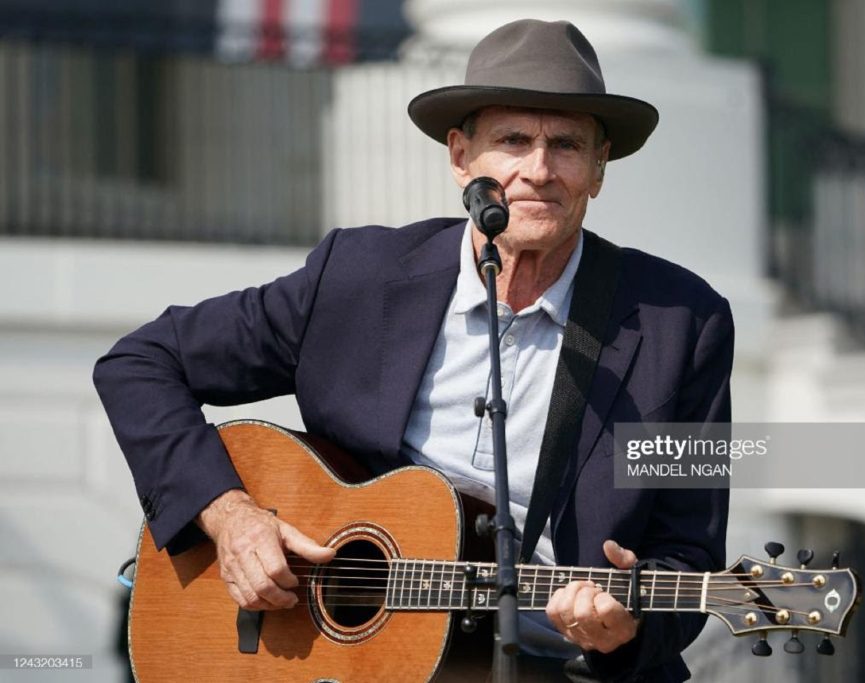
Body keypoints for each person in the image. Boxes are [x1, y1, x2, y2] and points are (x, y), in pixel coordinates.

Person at [94, 18, 733, 683]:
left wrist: (628, 623)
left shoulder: (681, 324)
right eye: (512, 139)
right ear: (462, 157)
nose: (538, 171)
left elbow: (686, 552)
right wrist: (231, 516)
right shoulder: (357, 277)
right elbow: (142, 362)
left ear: (598, 168)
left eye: (566, 145)